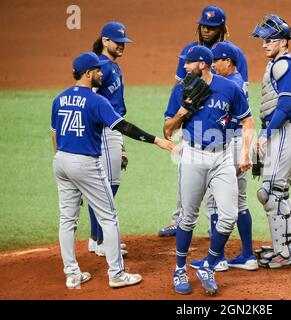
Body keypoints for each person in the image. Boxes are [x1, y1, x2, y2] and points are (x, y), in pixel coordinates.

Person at [51, 52, 175, 289]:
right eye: (97, 70)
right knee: (109, 217)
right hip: (85, 163)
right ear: (88, 73)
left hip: (61, 161)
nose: (101, 74)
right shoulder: (97, 101)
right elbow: (124, 127)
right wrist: (156, 140)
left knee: (67, 220)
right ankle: (116, 274)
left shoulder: (59, 98)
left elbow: (55, 134)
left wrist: (60, 158)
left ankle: (72, 274)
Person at [163, 46, 255, 295]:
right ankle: (180, 269)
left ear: (202, 64)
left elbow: (247, 121)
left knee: (229, 215)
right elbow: (167, 130)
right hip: (193, 155)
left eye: (188, 63)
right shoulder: (181, 90)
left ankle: (209, 264)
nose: (184, 67)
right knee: (188, 217)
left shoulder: (229, 88)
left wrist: (246, 152)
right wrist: (184, 111)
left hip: (223, 156)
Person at [159, 5, 249, 237]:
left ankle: (213, 227)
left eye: (212, 27)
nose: (207, 30)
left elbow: (239, 89)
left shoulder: (232, 52)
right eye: (204, 26)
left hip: (220, 124)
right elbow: (179, 87)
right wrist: (178, 116)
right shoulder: (189, 51)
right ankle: (179, 220)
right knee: (186, 174)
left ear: (222, 29)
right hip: (191, 121)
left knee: (217, 181)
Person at [188, 42, 258, 272]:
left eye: (216, 61)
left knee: (216, 201)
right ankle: (247, 254)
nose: (214, 66)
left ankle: (216, 259)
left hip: (231, 144)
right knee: (239, 202)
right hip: (239, 142)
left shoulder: (229, 84)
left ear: (227, 61)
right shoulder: (240, 81)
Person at [251, 15, 291, 269]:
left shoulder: (285, 66)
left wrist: (265, 133)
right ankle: (284, 247)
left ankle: (284, 252)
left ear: (283, 42)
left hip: (282, 132)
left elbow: (284, 105)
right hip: (282, 133)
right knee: (279, 192)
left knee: (269, 193)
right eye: (262, 39)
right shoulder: (280, 63)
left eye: (269, 39)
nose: (264, 44)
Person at [87, 22, 132, 257]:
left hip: (113, 130)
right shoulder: (100, 66)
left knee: (102, 185)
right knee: (107, 186)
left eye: (124, 42)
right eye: (118, 42)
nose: (122, 46)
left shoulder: (112, 65)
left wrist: (121, 141)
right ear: (105, 41)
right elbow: (89, 98)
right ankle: (103, 241)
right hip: (105, 130)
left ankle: (96, 239)